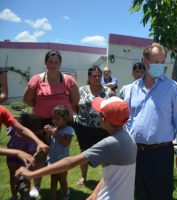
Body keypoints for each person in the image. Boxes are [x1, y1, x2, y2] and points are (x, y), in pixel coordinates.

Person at [16, 96, 137, 200]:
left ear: (103, 119)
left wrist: (32, 174)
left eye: (99, 113)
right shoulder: (129, 138)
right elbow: (111, 174)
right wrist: (95, 193)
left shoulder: (110, 143)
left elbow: (70, 162)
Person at [124, 43, 177, 200]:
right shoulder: (131, 89)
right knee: (138, 194)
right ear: (144, 60)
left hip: (161, 154)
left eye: (162, 62)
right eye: (155, 61)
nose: (159, 66)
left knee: (161, 195)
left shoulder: (173, 88)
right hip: (136, 153)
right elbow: (127, 119)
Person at [23, 50, 80, 198]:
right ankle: (37, 185)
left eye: (56, 62)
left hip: (62, 123)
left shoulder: (68, 80)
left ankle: (63, 185)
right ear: (45, 63)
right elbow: (27, 99)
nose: (53, 65)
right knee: (41, 154)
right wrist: (41, 107)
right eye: (50, 62)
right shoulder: (37, 79)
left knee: (61, 153)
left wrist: (64, 115)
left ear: (60, 63)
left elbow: (75, 100)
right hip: (41, 122)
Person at [74, 65, 114, 185]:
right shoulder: (81, 90)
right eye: (94, 76)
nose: (97, 78)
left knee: (105, 153)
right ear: (89, 77)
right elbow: (75, 106)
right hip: (84, 127)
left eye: (99, 76)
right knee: (84, 153)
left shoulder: (108, 91)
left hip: (102, 128)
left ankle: (106, 179)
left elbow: (113, 107)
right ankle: (83, 177)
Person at [0, 106, 48, 199]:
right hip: (11, 155)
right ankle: (14, 195)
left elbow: (21, 129)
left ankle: (25, 196)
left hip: (23, 158)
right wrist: (17, 153)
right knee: (13, 175)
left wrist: (39, 142)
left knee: (25, 176)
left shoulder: (2, 110)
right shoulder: (13, 130)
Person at [44, 105, 74, 200]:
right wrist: (48, 134)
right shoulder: (54, 129)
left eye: (57, 119)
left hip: (63, 160)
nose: (54, 121)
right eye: (53, 118)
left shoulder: (68, 130)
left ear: (65, 119)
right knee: (53, 179)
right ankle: (53, 197)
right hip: (53, 159)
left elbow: (66, 143)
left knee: (62, 179)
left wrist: (54, 134)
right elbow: (48, 142)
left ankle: (65, 196)